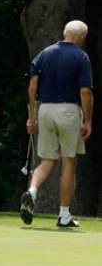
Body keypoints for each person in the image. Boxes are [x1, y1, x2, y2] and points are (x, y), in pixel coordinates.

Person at [20, 20, 93, 227]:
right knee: (68, 161)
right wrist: (87, 120)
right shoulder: (81, 56)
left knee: (47, 160)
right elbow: (85, 92)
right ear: (81, 37)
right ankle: (64, 215)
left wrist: (32, 116)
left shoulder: (45, 53)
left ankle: (31, 192)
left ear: (64, 33)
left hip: (45, 110)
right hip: (68, 110)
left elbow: (33, 86)